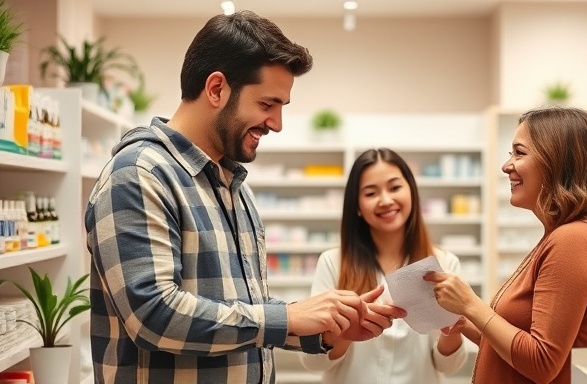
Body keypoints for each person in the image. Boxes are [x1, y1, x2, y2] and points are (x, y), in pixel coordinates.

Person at [84, 11, 405, 384]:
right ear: (217, 89)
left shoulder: (233, 185)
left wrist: (328, 329)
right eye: (267, 105)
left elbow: (245, 314)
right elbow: (153, 316)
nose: (277, 124)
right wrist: (289, 316)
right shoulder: (140, 174)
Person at [424, 107, 587, 383]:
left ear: (557, 162)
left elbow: (541, 362)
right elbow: (524, 347)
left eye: (519, 153)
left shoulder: (572, 240)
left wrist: (471, 304)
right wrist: (466, 322)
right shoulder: (568, 235)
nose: (506, 165)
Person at [299, 148, 472, 384]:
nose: (386, 200)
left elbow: (449, 366)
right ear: (357, 206)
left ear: (411, 191)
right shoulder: (332, 262)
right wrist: (346, 334)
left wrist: (451, 330)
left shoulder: (444, 263)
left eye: (395, 187)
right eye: (371, 193)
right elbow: (313, 362)